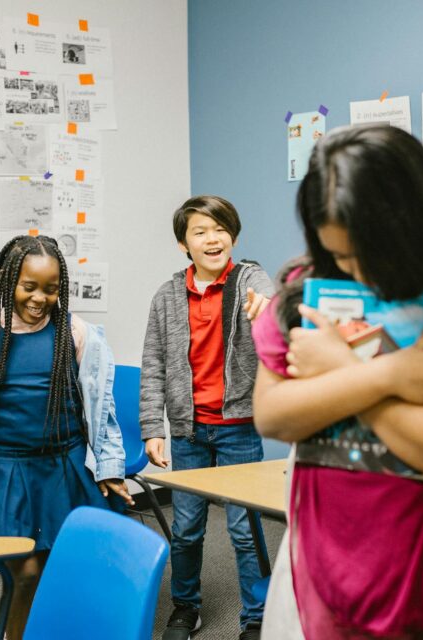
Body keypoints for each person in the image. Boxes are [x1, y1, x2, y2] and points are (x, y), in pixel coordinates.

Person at [251, 124, 423, 640]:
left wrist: (340, 371)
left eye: (368, 253)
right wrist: (384, 375)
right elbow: (272, 414)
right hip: (316, 560)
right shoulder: (303, 284)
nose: (356, 270)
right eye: (339, 255)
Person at [0, 234, 133, 639]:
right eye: (29, 286)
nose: (39, 298)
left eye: (51, 289)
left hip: (64, 464)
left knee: (69, 563)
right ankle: (13, 632)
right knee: (22, 569)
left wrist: (110, 468)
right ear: (8, 280)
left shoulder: (76, 333)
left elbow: (102, 409)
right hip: (9, 469)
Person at [140, 195, 274, 640]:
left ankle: (256, 619)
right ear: (184, 244)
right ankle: (185, 607)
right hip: (188, 431)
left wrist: (269, 310)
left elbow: (273, 301)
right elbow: (153, 364)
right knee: (187, 527)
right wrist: (152, 429)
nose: (212, 238)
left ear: (232, 235)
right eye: (200, 231)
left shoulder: (250, 279)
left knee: (245, 529)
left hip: (239, 428)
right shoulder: (167, 296)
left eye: (220, 229)